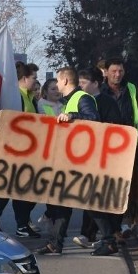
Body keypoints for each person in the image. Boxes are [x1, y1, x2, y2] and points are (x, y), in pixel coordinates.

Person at [36, 67, 99, 255]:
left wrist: (72, 116)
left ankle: (110, 238)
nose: (56, 84)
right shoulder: (69, 100)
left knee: (82, 203)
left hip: (79, 160)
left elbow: (93, 119)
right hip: (68, 159)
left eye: (57, 80)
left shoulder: (82, 98)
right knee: (59, 202)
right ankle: (55, 243)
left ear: (64, 81)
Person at [101, 58, 138, 238]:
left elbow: (135, 111)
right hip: (108, 147)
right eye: (114, 71)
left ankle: (124, 224)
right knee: (110, 188)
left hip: (130, 145)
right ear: (106, 72)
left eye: (121, 71)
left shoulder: (130, 88)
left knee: (127, 187)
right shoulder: (100, 91)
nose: (118, 75)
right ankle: (111, 229)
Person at [0, 61, 41, 237]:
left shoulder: (29, 97)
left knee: (20, 190)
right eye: (34, 78)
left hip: (27, 152)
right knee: (7, 189)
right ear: (24, 78)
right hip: (15, 151)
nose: (36, 81)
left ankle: (21, 225)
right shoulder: (17, 96)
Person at [75, 68, 124, 256]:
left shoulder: (107, 102)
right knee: (89, 199)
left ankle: (106, 237)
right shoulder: (80, 101)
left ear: (96, 83)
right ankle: (93, 235)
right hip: (86, 158)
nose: (80, 86)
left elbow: (115, 129)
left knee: (96, 200)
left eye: (84, 82)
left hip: (103, 158)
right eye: (78, 82)